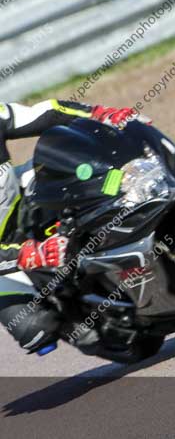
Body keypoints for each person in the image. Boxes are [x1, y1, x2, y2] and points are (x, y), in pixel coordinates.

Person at [0, 100, 138, 353]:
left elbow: (46, 114)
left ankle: (135, 224)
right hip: (4, 266)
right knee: (35, 329)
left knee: (79, 165)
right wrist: (26, 254)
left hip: (18, 204)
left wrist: (100, 114)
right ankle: (77, 312)